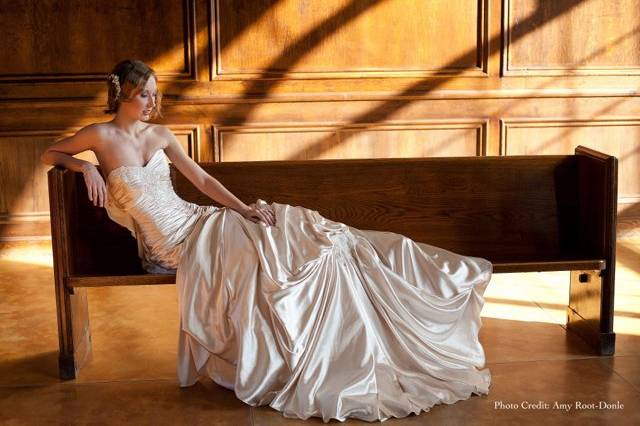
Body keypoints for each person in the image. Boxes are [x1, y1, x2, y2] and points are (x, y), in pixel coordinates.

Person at [41, 59, 493, 422]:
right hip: (172, 246)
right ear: (123, 93)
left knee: (300, 237)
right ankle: (291, 358)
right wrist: (85, 167)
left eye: (156, 95)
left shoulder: (160, 134)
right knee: (270, 255)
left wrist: (240, 209)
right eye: (145, 94)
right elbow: (50, 152)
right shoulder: (98, 137)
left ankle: (352, 332)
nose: (152, 103)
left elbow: (198, 177)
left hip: (200, 222)